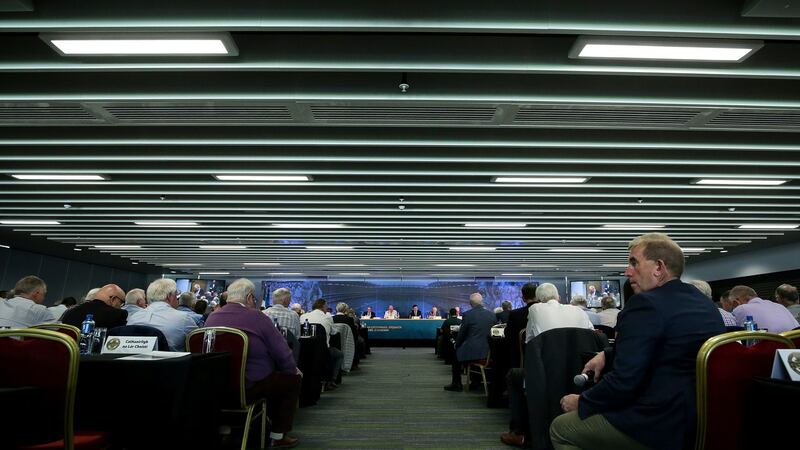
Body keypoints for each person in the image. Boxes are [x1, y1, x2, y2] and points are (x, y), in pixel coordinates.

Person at [550, 232, 725, 450]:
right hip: (701, 421)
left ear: (658, 268)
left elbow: (624, 382)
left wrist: (583, 402)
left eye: (634, 262)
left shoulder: (645, 304)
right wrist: (608, 354)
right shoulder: (704, 304)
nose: (627, 271)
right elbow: (671, 350)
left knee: (561, 428)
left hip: (655, 424)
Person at [205, 278, 301, 449]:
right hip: (251, 386)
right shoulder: (257, 317)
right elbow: (282, 352)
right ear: (249, 297)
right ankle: (277, 435)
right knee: (291, 380)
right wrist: (292, 370)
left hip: (216, 387)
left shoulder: (212, 318)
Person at [126, 279, 198, 351]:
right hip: (169, 361)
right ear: (169, 296)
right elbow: (199, 343)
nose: (177, 300)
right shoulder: (184, 319)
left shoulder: (133, 318)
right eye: (176, 295)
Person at [444, 293, 496, 392]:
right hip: (490, 352)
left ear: (470, 304)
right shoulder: (492, 315)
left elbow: (462, 334)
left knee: (456, 353)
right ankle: (475, 382)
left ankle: (456, 384)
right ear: (482, 302)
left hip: (474, 352)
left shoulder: (468, 315)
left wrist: (456, 344)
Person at [525, 283, 593, 343]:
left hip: (548, 356)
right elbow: (592, 334)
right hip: (581, 355)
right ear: (558, 297)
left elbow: (529, 339)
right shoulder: (578, 310)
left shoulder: (534, 309)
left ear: (538, 300)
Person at [300, 299, 344, 391]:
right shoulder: (327, 317)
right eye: (326, 306)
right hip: (323, 350)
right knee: (339, 354)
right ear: (323, 306)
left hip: (304, 350)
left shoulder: (303, 317)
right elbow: (333, 332)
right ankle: (331, 380)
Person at [729, 284, 799, 333]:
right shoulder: (779, 306)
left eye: (733, 305)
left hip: (771, 351)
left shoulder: (741, 309)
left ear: (736, 302)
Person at [63, 284, 128, 330]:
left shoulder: (70, 312)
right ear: (113, 299)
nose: (121, 306)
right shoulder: (118, 314)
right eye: (121, 303)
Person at [505, 282, 538, 368]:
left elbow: (508, 335)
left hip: (521, 357)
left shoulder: (514, 314)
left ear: (523, 298)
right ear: (537, 296)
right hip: (542, 354)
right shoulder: (545, 313)